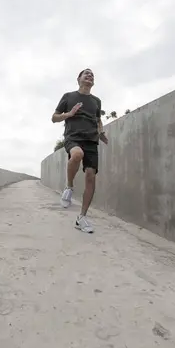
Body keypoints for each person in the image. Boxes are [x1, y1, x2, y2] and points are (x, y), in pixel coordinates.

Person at [51, 68, 108, 233]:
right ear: (79, 79)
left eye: (92, 75)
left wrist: (101, 133)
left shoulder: (96, 101)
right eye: (86, 73)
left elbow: (98, 120)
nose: (90, 75)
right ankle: (69, 187)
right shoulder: (68, 96)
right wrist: (69, 114)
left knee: (91, 176)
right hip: (73, 137)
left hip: (91, 140)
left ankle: (82, 218)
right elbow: (54, 118)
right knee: (77, 154)